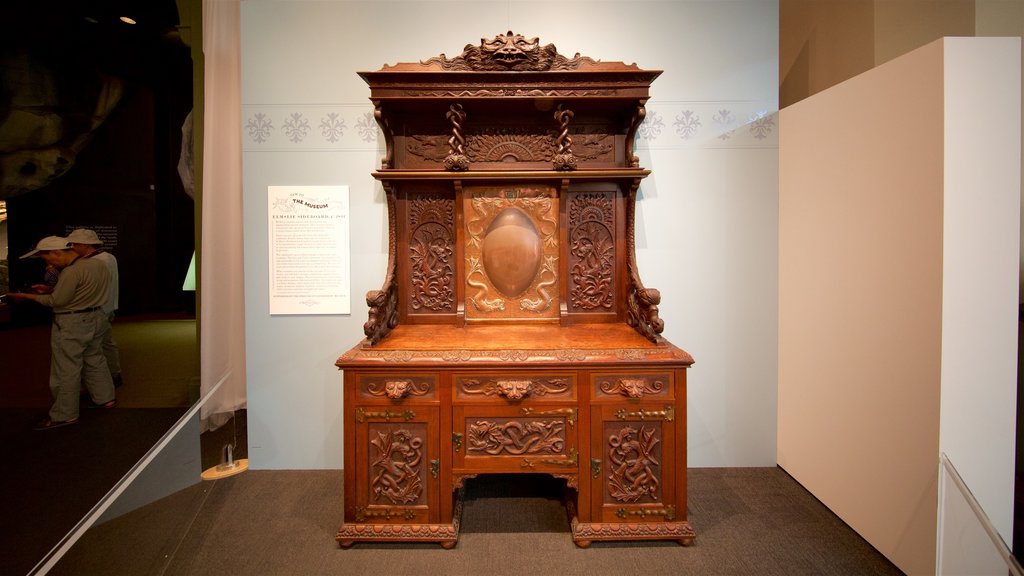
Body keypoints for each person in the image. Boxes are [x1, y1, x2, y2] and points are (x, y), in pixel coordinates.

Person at [7, 235, 116, 430]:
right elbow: (80, 291)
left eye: (46, 257)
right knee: (95, 359)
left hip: (72, 322)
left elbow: (56, 302)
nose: (47, 262)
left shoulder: (71, 272)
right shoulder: (97, 265)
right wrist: (52, 289)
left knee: (66, 368)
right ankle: (105, 399)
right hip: (96, 317)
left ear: (56, 252)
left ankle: (64, 415)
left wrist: (27, 296)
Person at [66, 228, 123, 388]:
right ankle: (113, 374)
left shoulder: (97, 261)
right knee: (105, 343)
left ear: (84, 244)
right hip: (105, 306)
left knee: (95, 349)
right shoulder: (107, 258)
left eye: (75, 244)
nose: (72, 247)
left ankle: (105, 381)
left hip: (98, 308)